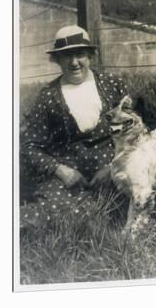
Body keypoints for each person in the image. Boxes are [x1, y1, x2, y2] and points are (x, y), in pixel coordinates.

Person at [20, 25, 128, 227]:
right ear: (57, 60)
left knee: (124, 201)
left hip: (113, 168)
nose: (74, 62)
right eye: (66, 56)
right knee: (51, 212)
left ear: (90, 56)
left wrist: (113, 167)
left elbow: (135, 129)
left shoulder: (112, 83)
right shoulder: (48, 95)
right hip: (70, 176)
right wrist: (61, 170)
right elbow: (30, 146)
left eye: (79, 54)